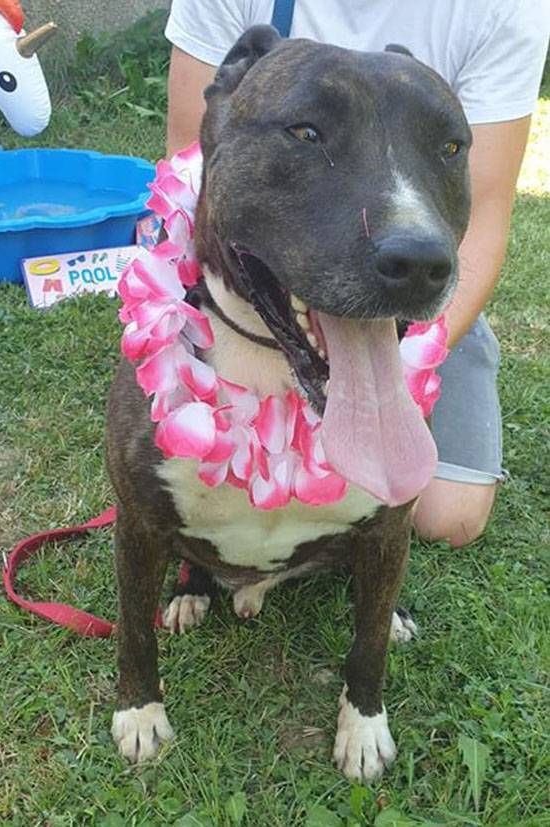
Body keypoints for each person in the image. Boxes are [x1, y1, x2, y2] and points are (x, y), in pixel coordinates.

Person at [163, 0, 550, 547]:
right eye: (307, 132)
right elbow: (190, 161)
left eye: (445, 147)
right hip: (261, 268)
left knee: (450, 518)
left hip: (424, 302)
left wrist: (393, 379)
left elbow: (485, 220)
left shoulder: (504, 9)